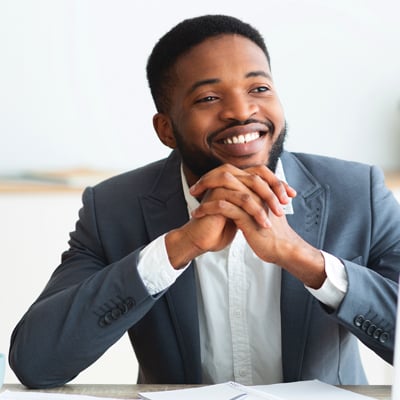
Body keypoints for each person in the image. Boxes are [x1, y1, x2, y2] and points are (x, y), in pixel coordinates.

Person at [9, 14, 400, 389]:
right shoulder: (113, 208)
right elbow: (36, 363)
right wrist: (175, 249)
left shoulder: (357, 192)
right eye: (209, 97)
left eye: (259, 89)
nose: (242, 111)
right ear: (166, 129)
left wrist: (305, 260)